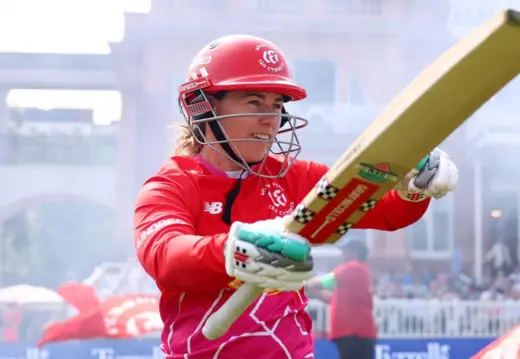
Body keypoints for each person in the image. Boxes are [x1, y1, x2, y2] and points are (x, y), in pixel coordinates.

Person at [133, 34, 459, 359]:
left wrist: (413, 189)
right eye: (254, 102)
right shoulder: (170, 185)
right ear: (203, 106)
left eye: (276, 105)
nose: (270, 118)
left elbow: (386, 211)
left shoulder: (294, 177)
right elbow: (165, 255)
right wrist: (236, 249)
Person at [306, 238, 376, 359]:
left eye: (345, 251)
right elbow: (333, 299)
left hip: (355, 333)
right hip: (354, 333)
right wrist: (315, 292)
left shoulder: (353, 267)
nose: (342, 254)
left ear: (355, 252)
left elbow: (324, 281)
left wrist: (303, 284)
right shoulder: (356, 272)